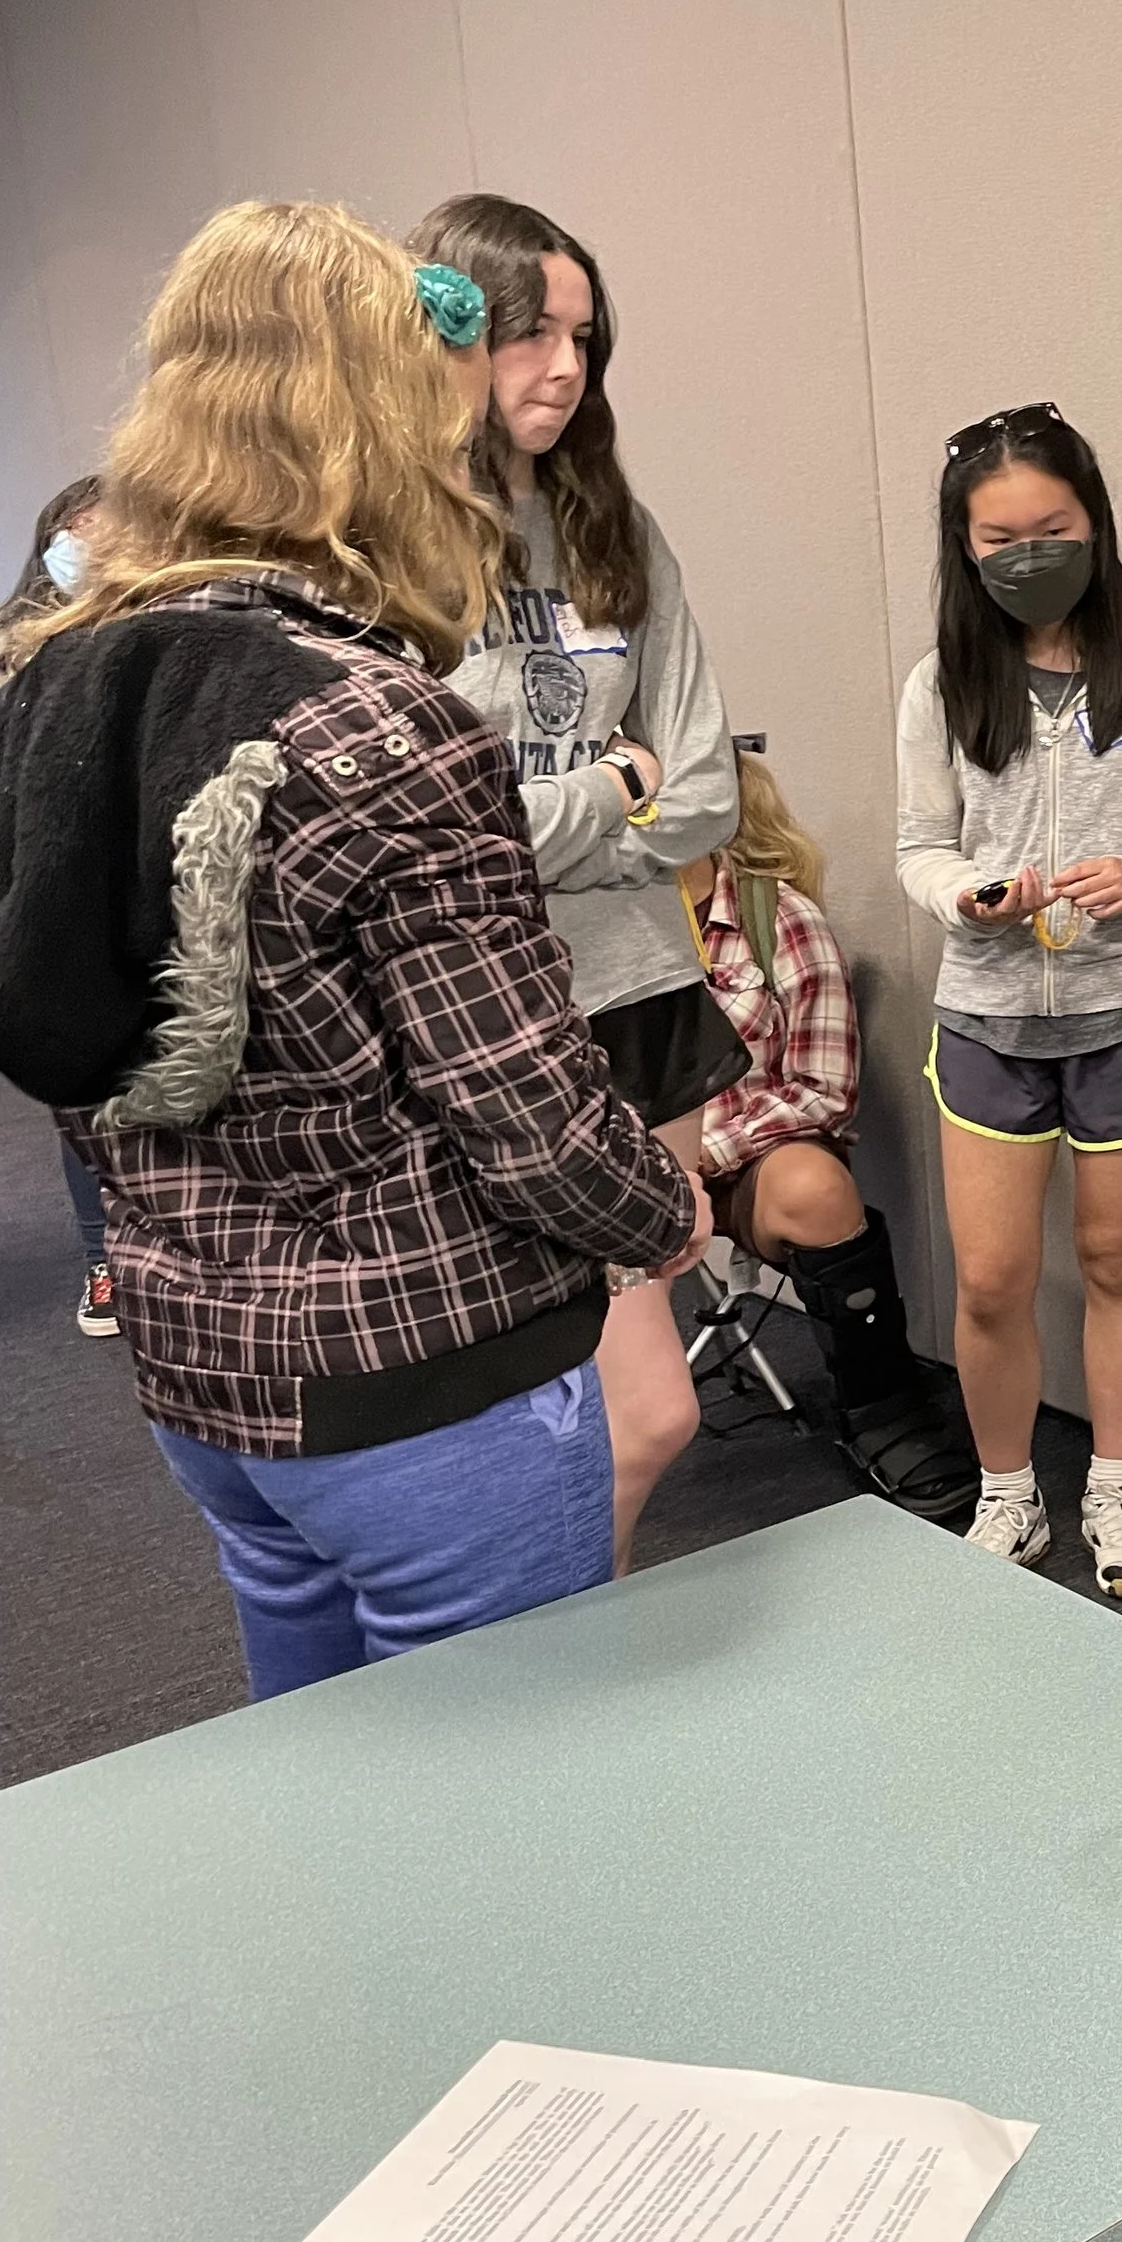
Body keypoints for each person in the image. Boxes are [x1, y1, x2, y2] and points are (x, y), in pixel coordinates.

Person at [0, 204, 707, 1699]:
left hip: (205, 1386)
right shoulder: (378, 722)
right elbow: (530, 1120)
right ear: (376, 427)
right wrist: (663, 1207)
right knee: (501, 1817)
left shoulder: (60, 684)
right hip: (423, 1386)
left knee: (325, 1783)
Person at [409, 194, 743, 1571]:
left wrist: (567, 813)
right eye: (526, 333)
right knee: (591, 1415)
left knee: (631, 1416)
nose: (563, 368)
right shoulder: (394, 542)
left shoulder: (614, 524)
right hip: (485, 1024)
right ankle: (531, 1658)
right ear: (448, 339)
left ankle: (554, 1651)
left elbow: (712, 789)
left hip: (634, 994)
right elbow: (434, 832)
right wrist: (611, 788)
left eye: (583, 337)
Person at [896, 404, 1122, 1590]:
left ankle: (1116, 1488)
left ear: (1095, 521)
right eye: (995, 539)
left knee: (1118, 1258)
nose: (1025, 556)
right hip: (991, 1017)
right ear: (962, 548)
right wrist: (969, 895)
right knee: (994, 1276)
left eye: (1049, 529)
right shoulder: (940, 685)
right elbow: (919, 846)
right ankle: (1009, 1495)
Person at [687, 747, 977, 1514]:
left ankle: (882, 1405)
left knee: (816, 1187)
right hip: (604, 1164)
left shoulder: (775, 917)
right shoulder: (578, 923)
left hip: (731, 1158)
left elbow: (821, 1094)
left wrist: (697, 1155)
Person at [2, 477, 123, 1335]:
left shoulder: (142, 633)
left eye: (102, 526)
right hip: (50, 893)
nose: (87, 539)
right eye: (74, 527)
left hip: (134, 884)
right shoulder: (15, 649)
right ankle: (100, 1262)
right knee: (79, 1088)